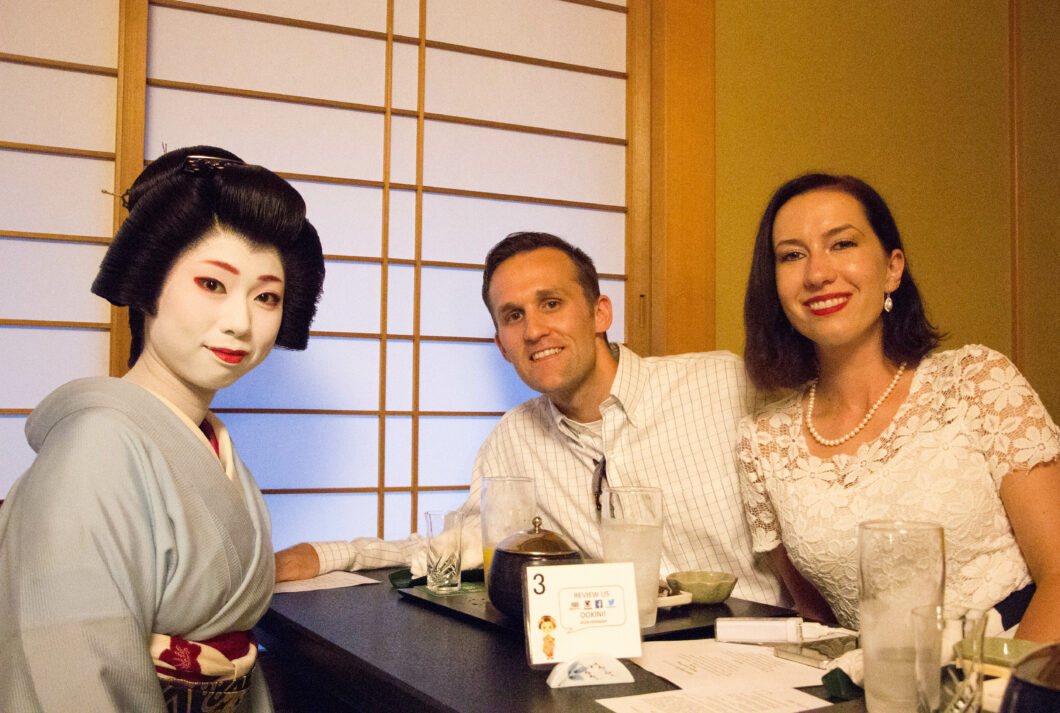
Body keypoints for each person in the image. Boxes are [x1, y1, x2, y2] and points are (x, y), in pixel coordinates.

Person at [276, 232, 784, 608]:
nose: (535, 329)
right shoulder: (515, 438)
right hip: (628, 662)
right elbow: (461, 545)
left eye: (552, 303)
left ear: (600, 312)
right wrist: (333, 554)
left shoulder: (723, 384)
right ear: (500, 343)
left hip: (761, 653)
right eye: (513, 316)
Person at [0, 145, 325, 711]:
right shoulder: (93, 449)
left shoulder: (208, 444)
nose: (240, 323)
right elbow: (74, 670)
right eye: (212, 285)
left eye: (266, 296)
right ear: (149, 283)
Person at [738, 173, 1060, 641]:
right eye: (792, 255)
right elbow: (818, 620)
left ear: (892, 268)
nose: (817, 273)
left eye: (842, 244)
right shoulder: (763, 441)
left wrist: (999, 695)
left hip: (1019, 668)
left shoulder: (976, 380)